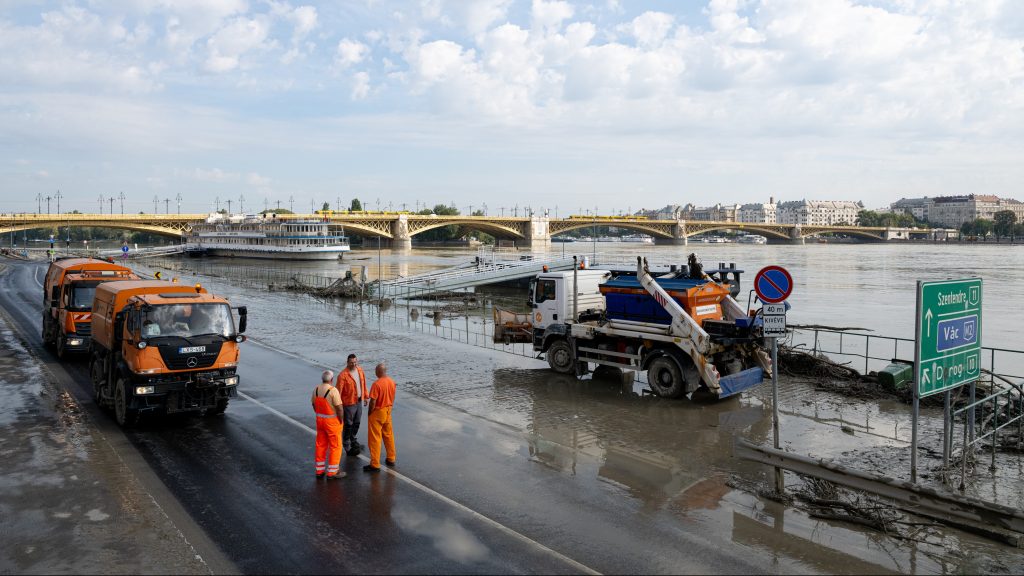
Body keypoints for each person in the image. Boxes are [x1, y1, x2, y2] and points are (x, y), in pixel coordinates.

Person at [312, 370, 346, 480]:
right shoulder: (333, 390)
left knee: (320, 445)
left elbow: (313, 404)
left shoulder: (316, 389)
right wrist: (341, 420)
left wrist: (319, 414)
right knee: (335, 446)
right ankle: (332, 472)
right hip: (332, 423)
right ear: (332, 379)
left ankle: (319, 471)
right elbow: (339, 408)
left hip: (320, 421)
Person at [363, 363, 396, 473]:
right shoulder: (392, 382)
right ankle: (391, 458)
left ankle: (375, 464)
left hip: (378, 412)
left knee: (375, 438)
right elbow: (392, 397)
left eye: (375, 370)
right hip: (388, 410)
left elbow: (373, 401)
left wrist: (369, 413)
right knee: (388, 435)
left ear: (378, 372)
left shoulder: (376, 384)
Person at [335, 354, 368, 457]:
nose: (353, 364)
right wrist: (338, 406)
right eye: (351, 362)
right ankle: (347, 446)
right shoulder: (342, 375)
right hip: (348, 404)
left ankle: (352, 439)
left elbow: (364, 384)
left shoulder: (360, 370)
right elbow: (338, 392)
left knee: (357, 422)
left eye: (355, 362)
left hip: (359, 401)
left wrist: (366, 397)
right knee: (348, 425)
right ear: (347, 362)